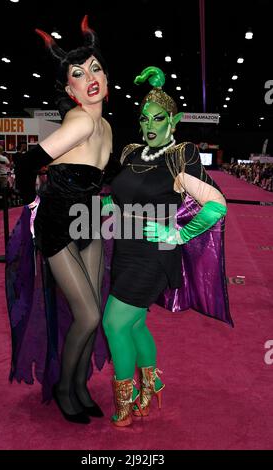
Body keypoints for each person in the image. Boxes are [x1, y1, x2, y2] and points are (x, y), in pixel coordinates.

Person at [101, 66, 233, 427]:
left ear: (172, 120)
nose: (149, 125)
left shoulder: (181, 155)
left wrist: (180, 235)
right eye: (144, 118)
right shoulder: (131, 153)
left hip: (154, 255)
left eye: (157, 119)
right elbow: (118, 201)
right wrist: (94, 208)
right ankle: (151, 383)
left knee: (114, 324)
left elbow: (217, 204)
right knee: (135, 325)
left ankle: (125, 404)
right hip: (126, 252)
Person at [6, 15, 112, 424]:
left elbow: (108, 175)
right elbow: (28, 160)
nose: (90, 77)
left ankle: (82, 384)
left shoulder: (105, 126)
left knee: (93, 314)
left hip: (90, 223)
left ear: (106, 75)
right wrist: (32, 203)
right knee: (87, 315)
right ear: (68, 87)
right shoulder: (83, 120)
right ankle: (65, 387)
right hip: (58, 227)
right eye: (77, 73)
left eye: (96, 68)